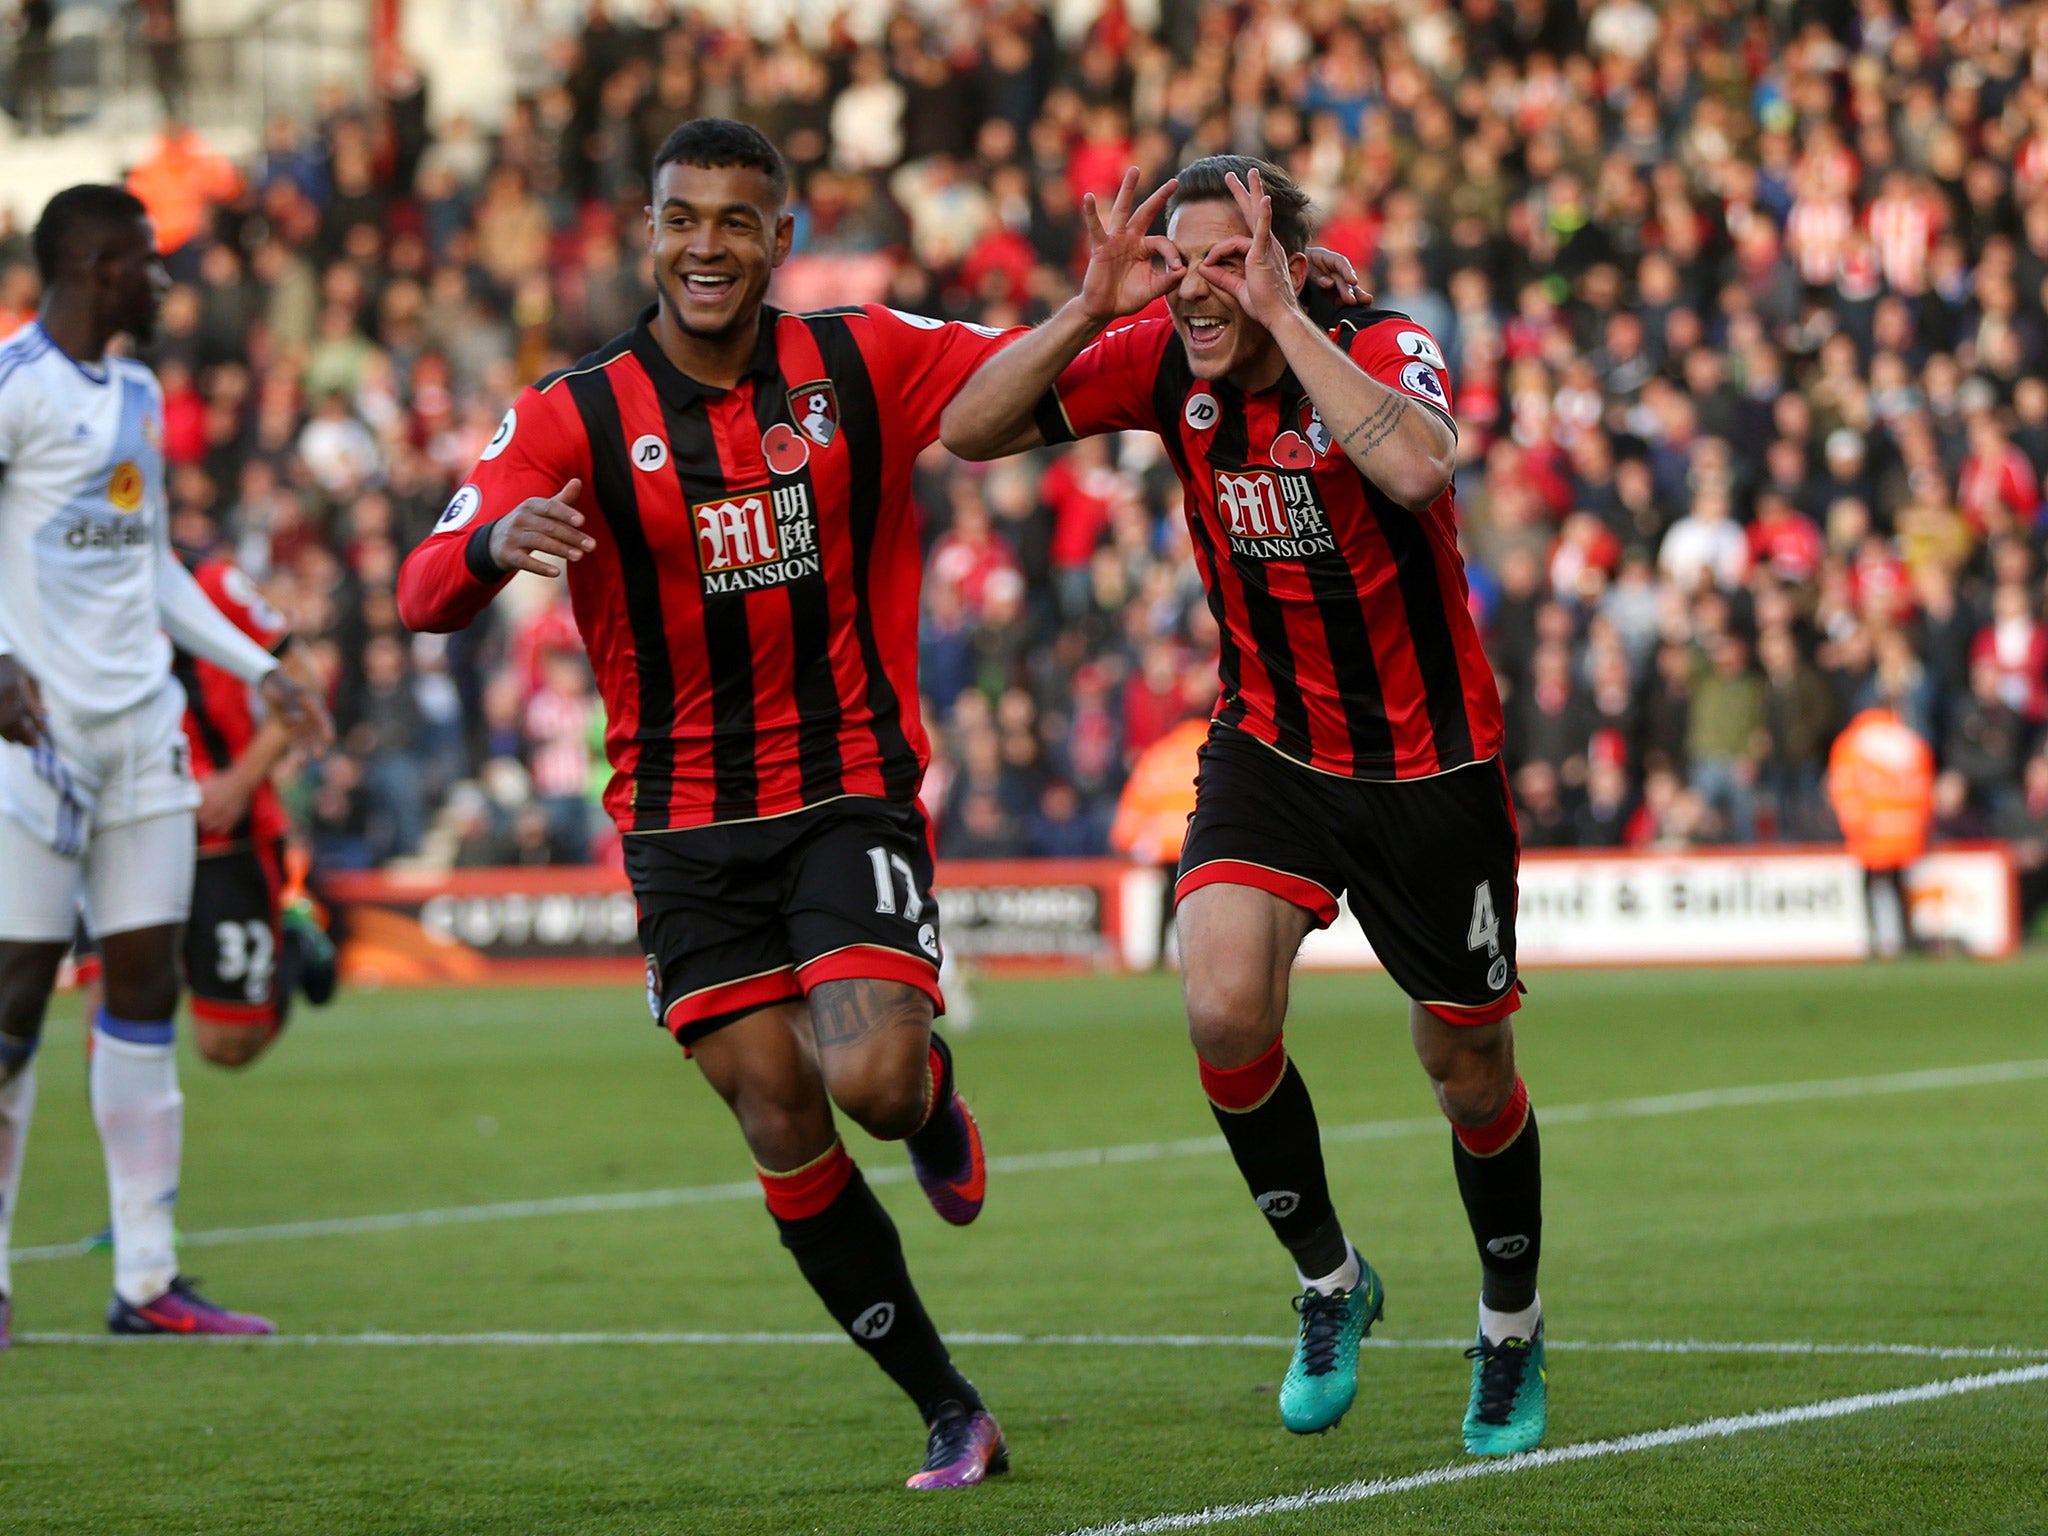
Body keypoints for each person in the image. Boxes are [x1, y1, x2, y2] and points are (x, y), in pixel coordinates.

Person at [397, 120, 1012, 1490]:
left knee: (871, 1080)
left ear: (779, 240)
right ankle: (948, 1405)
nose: (708, 246)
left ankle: (928, 1100)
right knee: (780, 1117)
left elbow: (1035, 379)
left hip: (842, 787)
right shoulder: (575, 411)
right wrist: (497, 542)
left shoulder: (857, 358)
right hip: (681, 827)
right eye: (685, 219)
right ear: (650, 234)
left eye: (739, 221)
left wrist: (1121, 305)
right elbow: (421, 586)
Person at [942, 158, 1549, 1456]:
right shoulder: (1158, 353)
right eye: (1179, 261)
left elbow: (1426, 471)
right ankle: (1331, 1282)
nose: (1196, 289)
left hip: (1428, 770)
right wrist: (1086, 306)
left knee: (1465, 1063)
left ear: (1284, 261)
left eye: (1228, 259)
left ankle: (1510, 1327)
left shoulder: (1381, 344)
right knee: (1219, 1005)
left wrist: (1282, 321)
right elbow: (969, 429)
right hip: (1271, 749)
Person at [0, 185, 330, 1348]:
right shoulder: (13, 387)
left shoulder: (139, 395)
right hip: (35, 751)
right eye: (149, 261)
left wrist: (262, 666)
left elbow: (151, 573)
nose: (165, 280)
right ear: (96, 267)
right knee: (11, 1009)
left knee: (146, 993)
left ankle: (148, 1281)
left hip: (143, 739)